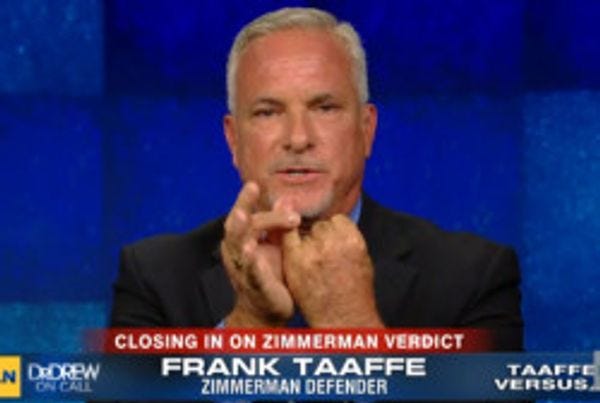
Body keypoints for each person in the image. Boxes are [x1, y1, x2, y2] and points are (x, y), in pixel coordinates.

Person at [110, 7, 523, 348]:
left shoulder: (471, 277)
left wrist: (352, 326)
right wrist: (250, 325)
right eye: (268, 112)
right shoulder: (155, 277)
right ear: (233, 140)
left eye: (325, 108)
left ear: (366, 130)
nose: (298, 138)